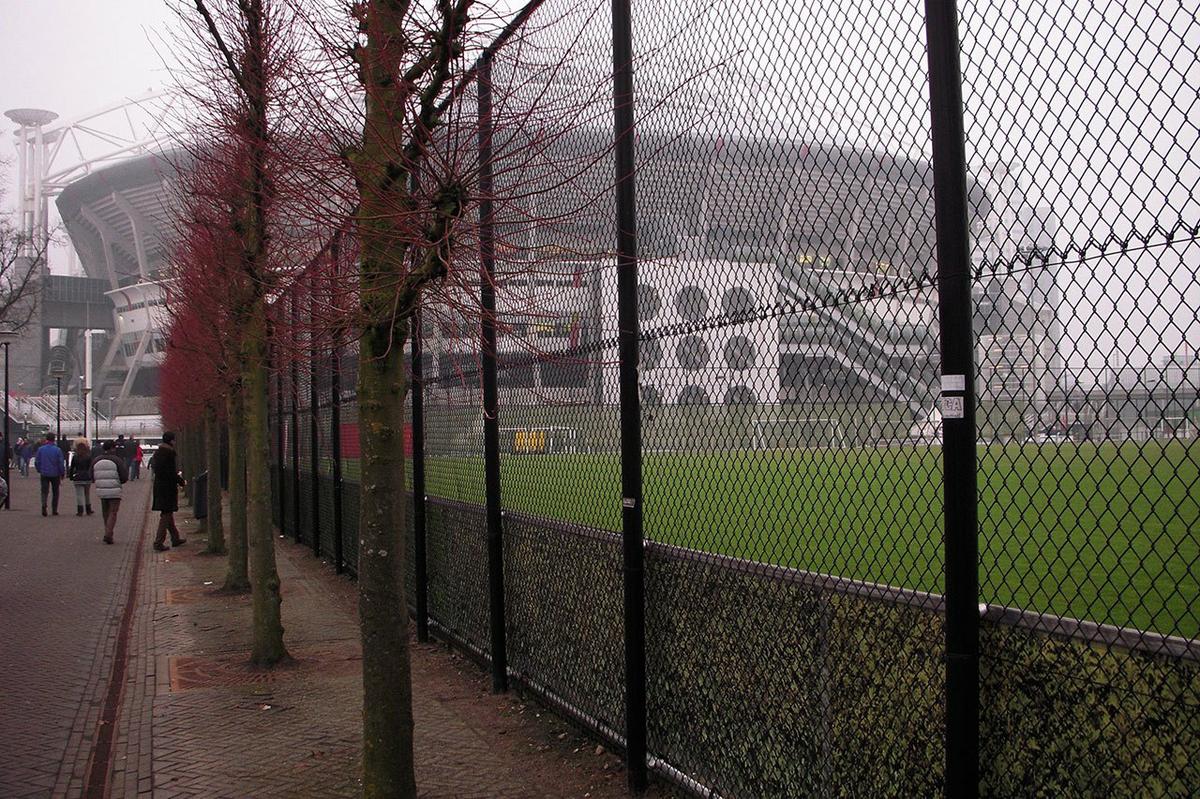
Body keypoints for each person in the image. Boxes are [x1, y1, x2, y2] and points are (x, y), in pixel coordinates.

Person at [151, 431, 187, 551]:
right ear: (171, 441)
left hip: (159, 486)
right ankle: (158, 542)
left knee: (168, 512)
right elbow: (171, 472)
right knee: (166, 514)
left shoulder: (158, 453)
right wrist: (181, 481)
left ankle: (175, 538)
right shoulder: (169, 454)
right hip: (167, 488)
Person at [92, 440, 128, 545]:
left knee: (105, 512)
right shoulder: (117, 460)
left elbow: (91, 474)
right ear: (113, 448)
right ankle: (108, 533)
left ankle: (107, 531)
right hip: (115, 490)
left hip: (101, 490)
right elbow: (124, 476)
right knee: (113, 512)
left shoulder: (96, 460)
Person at [34, 433, 67, 516]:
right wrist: (62, 473)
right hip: (55, 473)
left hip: (44, 472)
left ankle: (44, 505)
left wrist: (39, 469)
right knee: (55, 492)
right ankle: (54, 509)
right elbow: (60, 463)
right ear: (54, 439)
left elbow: (37, 461)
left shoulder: (41, 449)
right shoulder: (58, 450)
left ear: (46, 439)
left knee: (44, 491)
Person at [69, 440, 95, 516]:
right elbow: (91, 468)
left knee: (79, 495)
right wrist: (92, 477)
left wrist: (71, 476)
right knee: (87, 494)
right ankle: (88, 509)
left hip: (78, 477)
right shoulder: (88, 457)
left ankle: (80, 510)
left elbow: (72, 467)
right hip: (87, 477)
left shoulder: (75, 457)